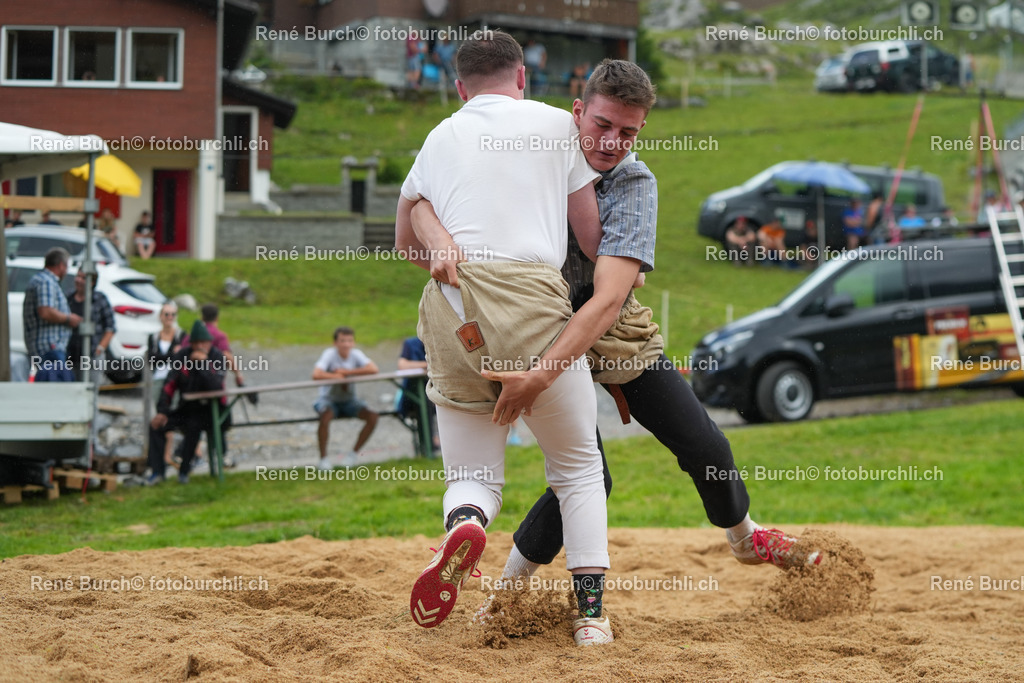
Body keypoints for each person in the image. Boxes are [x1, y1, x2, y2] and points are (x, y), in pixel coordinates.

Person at [413, 59, 823, 607]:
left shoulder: (633, 180)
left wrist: (540, 375)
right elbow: (423, 200)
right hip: (539, 324)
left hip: (611, 328)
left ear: (642, 130)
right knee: (587, 476)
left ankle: (746, 536)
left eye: (628, 132)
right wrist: (440, 237)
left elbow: (608, 299)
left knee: (704, 442)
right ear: (576, 113)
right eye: (602, 125)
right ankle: (507, 592)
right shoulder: (532, 146)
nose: (611, 142)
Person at [395, 30, 614, 645]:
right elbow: (592, 237)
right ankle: (591, 616)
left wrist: (450, 253)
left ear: (460, 87)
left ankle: (466, 524)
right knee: (576, 468)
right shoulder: (553, 125)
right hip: (532, 307)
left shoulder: (441, 135)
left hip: (453, 303)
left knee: (472, 473)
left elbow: (405, 242)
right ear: (523, 78)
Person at [148, 321, 227, 484]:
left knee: (193, 426)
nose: (199, 346)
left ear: (209, 342)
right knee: (157, 425)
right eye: (195, 343)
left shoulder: (217, 357)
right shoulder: (182, 356)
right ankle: (157, 472)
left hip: (212, 411)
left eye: (202, 343)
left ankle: (184, 472)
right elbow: (169, 385)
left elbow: (216, 387)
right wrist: (162, 411)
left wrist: (202, 364)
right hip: (186, 408)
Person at [313, 326, 380, 470]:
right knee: (325, 415)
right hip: (328, 399)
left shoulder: (355, 354)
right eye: (342, 340)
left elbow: (373, 369)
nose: (346, 344)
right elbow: (316, 374)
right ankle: (323, 459)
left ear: (354, 342)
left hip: (349, 401)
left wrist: (346, 372)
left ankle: (353, 454)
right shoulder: (329, 354)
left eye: (349, 341)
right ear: (335, 343)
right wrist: (335, 376)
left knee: (373, 416)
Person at [23, 247, 80, 381]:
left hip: (49, 347)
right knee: (56, 393)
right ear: (61, 265)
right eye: (66, 266)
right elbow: (45, 311)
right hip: (49, 347)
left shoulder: (45, 281)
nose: (66, 271)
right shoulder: (46, 282)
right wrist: (68, 318)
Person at [147, 301, 187, 466]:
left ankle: (177, 453)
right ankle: (164, 456)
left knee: (175, 414)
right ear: (161, 316)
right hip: (159, 379)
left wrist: (165, 357)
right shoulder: (154, 337)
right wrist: (171, 355)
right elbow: (152, 359)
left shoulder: (181, 335)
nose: (169, 317)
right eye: (166, 314)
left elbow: (181, 356)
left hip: (175, 379)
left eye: (172, 314)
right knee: (160, 415)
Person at [65, 267, 115, 380]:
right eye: (77, 276)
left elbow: (110, 327)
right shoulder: (68, 297)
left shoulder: (100, 299)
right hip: (70, 355)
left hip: (92, 356)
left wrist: (100, 348)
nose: (78, 280)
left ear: (92, 282)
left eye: (83, 278)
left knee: (90, 392)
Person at [398, 337, 440, 456]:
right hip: (413, 396)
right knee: (425, 402)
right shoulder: (411, 344)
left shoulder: (440, 341)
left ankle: (430, 444)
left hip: (436, 394)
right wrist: (428, 364)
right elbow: (402, 365)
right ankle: (428, 446)